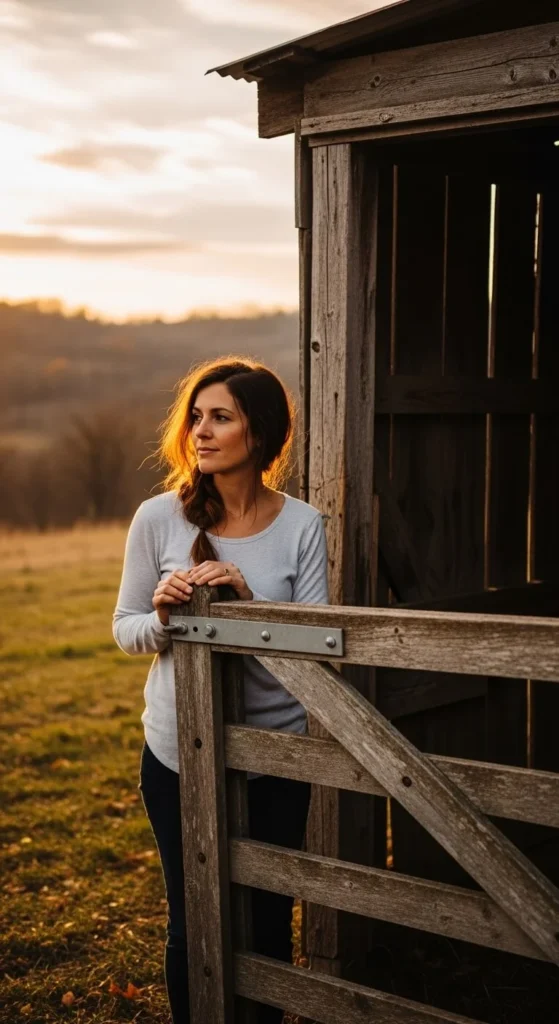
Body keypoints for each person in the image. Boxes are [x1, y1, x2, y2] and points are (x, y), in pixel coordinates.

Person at [112, 357, 329, 1023]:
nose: (200, 432)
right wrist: (167, 619)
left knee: (267, 921)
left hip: (274, 756)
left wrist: (248, 608)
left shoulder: (302, 525)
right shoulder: (158, 518)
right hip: (177, 752)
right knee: (193, 920)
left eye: (220, 418)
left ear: (258, 435)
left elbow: (318, 657)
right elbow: (126, 631)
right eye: (196, 417)